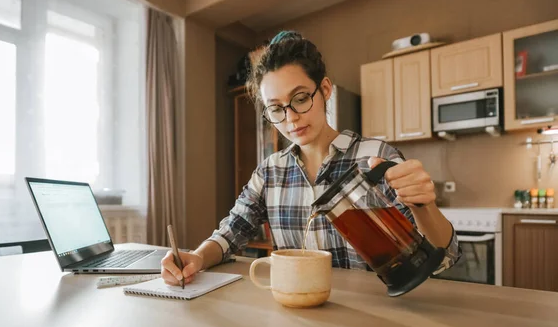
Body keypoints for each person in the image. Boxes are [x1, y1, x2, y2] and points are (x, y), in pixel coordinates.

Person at [161, 30, 461, 285]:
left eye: (300, 98)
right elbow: (232, 230)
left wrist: (424, 205)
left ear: (325, 90)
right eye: (276, 108)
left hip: (368, 318)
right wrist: (197, 257)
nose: (290, 118)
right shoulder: (271, 171)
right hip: (298, 311)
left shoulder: (376, 158)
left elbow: (442, 259)